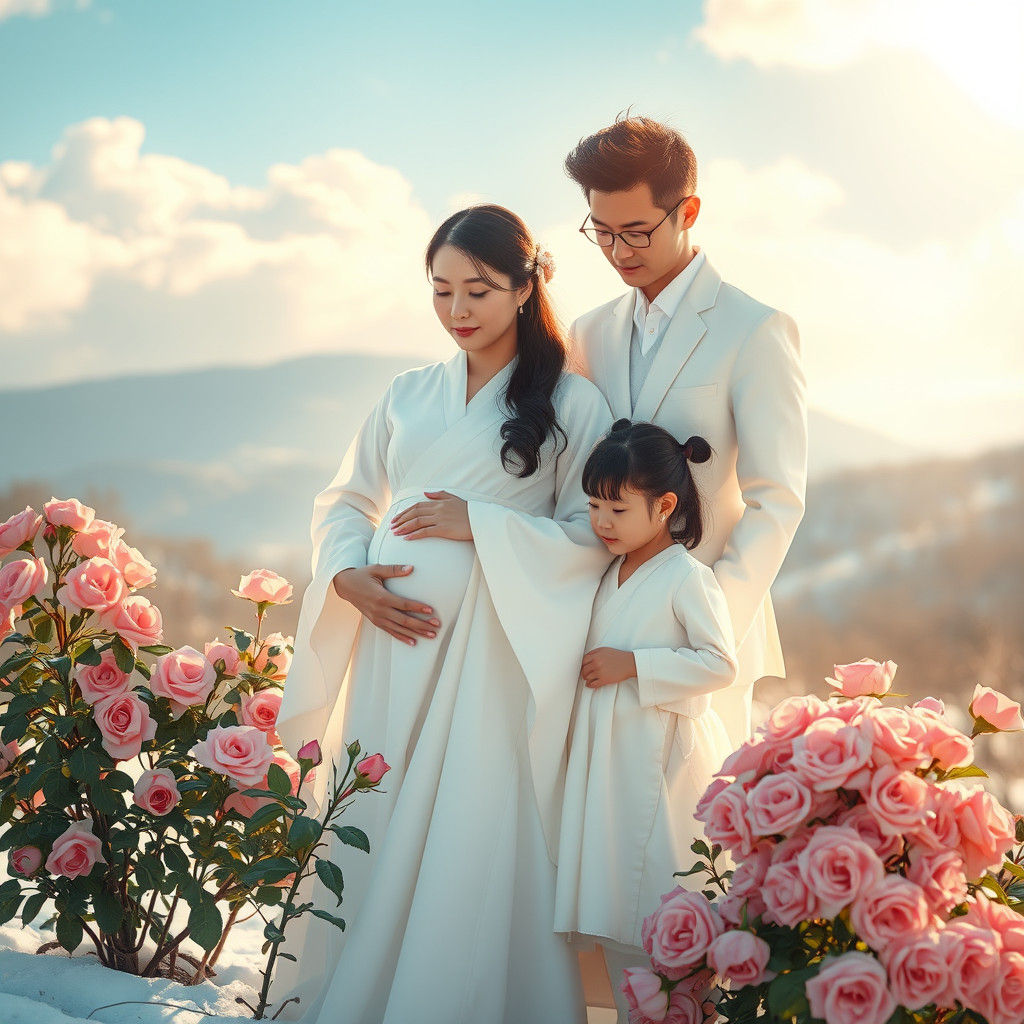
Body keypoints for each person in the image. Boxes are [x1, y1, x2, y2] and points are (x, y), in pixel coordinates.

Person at [274, 204, 613, 1024]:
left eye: (481, 291)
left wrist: (486, 524)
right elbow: (346, 500)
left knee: (470, 823)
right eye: (441, 291)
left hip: (492, 658)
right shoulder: (407, 394)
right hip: (391, 647)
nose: (458, 311)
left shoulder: (573, 404)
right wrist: (349, 575)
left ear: (526, 288)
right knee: (377, 812)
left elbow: (593, 537)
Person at [565, 115, 808, 751]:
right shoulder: (589, 333)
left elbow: (776, 498)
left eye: (637, 231)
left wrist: (704, 616)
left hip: (704, 645)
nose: (620, 252)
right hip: (602, 635)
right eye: (603, 233)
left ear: (688, 210)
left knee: (696, 839)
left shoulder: (755, 329)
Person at [554, 419, 736, 1023]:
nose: (601, 521)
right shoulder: (612, 569)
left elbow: (719, 662)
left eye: (617, 507)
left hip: (661, 752)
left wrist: (635, 664)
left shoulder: (687, 577)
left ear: (664, 506)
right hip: (609, 751)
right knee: (609, 888)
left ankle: (676, 1005)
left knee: (657, 882)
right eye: (594, 505)